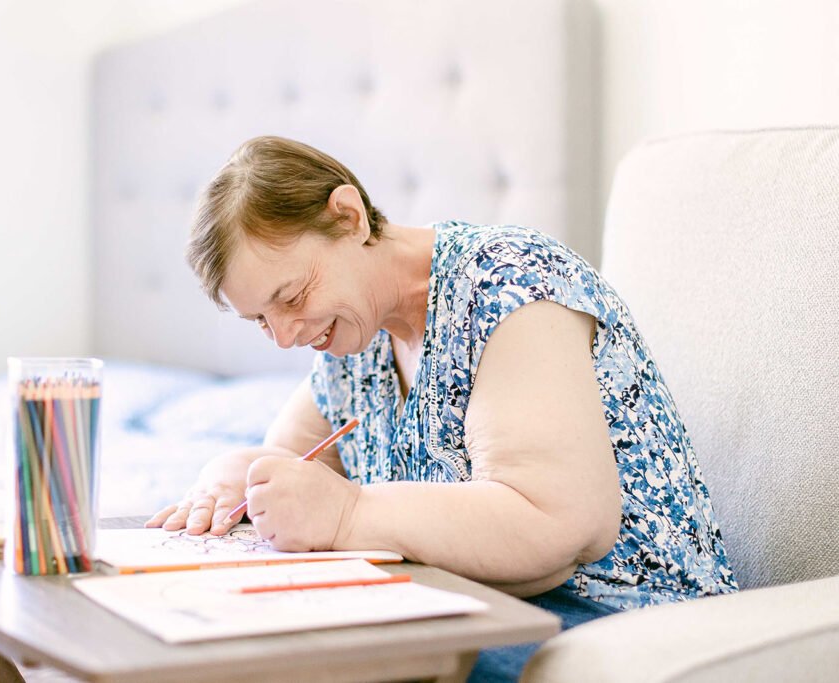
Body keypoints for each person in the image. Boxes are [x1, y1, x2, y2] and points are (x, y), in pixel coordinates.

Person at [146, 135, 737, 681]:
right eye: (259, 320)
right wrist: (234, 477)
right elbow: (294, 463)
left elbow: (559, 524)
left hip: (625, 618)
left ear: (348, 217)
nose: (283, 336)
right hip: (478, 605)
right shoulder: (357, 333)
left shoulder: (509, 283)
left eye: (291, 297)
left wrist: (348, 514)